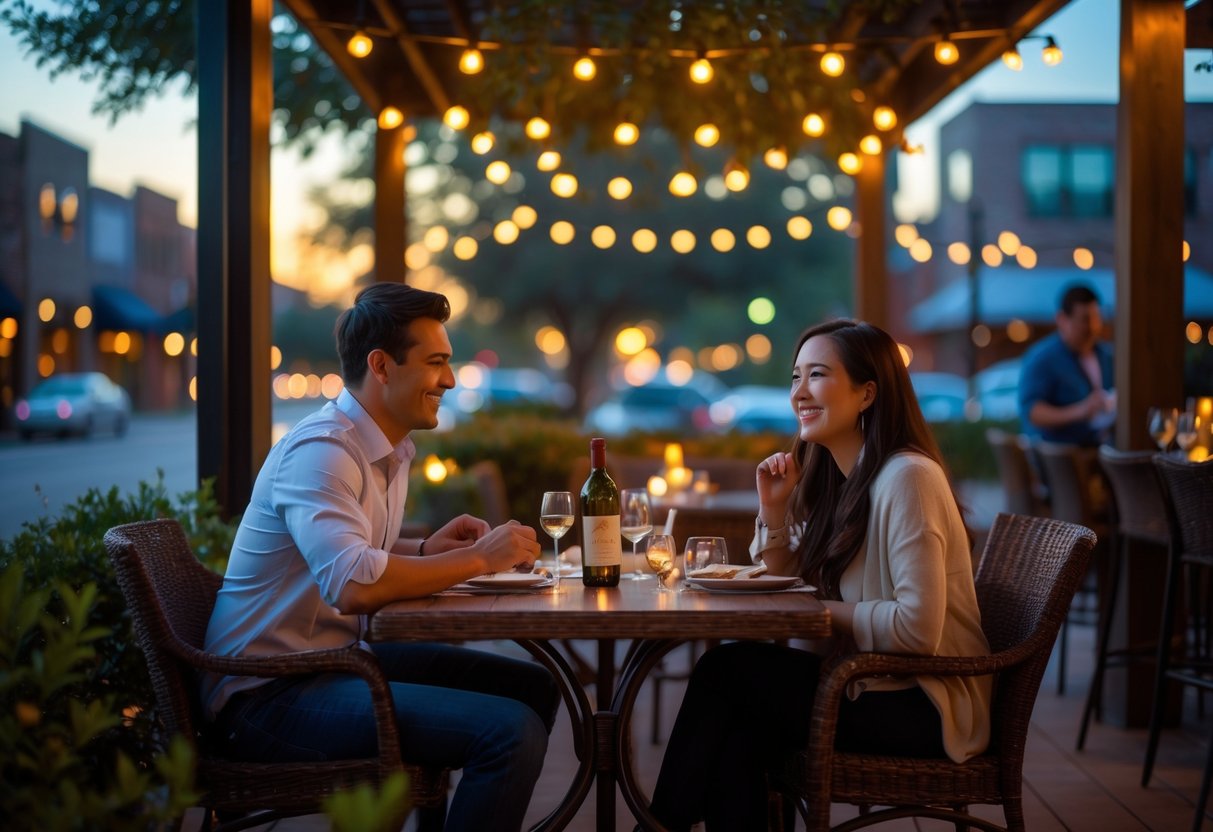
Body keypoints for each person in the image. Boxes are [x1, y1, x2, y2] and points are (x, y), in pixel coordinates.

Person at [201, 283, 559, 832]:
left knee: (534, 687)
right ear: (382, 366)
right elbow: (353, 586)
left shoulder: (387, 449)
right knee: (509, 732)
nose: (451, 379)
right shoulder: (322, 451)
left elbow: (352, 556)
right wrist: (481, 559)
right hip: (264, 695)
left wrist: (423, 550)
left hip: (333, 662)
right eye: (436, 362)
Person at [648, 319, 992, 831]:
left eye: (817, 375)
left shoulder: (908, 478)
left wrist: (823, 614)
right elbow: (785, 573)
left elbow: (919, 630)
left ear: (867, 393)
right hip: (868, 684)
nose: (799, 393)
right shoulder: (843, 477)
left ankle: (654, 827)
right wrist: (775, 510)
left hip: (927, 703)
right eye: (795, 377)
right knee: (740, 727)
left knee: (725, 670)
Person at [1018, 283, 1115, 446]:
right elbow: (1032, 412)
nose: (1091, 327)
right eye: (1084, 320)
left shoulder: (1107, 355)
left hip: (1101, 450)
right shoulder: (1043, 359)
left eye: (1095, 318)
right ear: (1062, 319)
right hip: (1062, 458)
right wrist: (1081, 411)